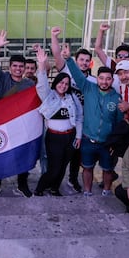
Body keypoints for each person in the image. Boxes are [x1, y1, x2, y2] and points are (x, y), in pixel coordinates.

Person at [66, 55, 123, 197]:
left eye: (108, 79)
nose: (104, 81)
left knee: (107, 169)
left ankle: (107, 191)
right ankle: (87, 191)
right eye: (101, 78)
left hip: (107, 143)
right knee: (87, 167)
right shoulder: (88, 88)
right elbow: (77, 75)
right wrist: (68, 59)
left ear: (112, 80)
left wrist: (114, 143)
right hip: (88, 139)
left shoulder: (117, 98)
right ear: (97, 79)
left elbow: (119, 123)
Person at [0, 29, 35, 197]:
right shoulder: (2, 78)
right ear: (9, 67)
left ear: (25, 69)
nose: (18, 69)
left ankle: (22, 183)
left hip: (21, 126)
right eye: (15, 66)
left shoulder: (29, 84)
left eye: (21, 66)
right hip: (2, 125)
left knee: (22, 155)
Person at [33, 47, 83, 197]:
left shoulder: (72, 97)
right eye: (61, 82)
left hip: (70, 136)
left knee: (63, 166)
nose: (63, 86)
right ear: (56, 83)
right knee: (54, 168)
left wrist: (78, 136)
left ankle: (55, 188)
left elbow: (79, 117)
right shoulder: (49, 95)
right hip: (54, 137)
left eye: (66, 84)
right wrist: (42, 64)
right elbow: (42, 84)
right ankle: (40, 188)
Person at [50, 26, 94, 193]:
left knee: (77, 154)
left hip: (82, 122)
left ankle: (73, 179)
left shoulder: (93, 80)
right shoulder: (67, 70)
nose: (84, 63)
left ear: (90, 63)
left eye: (87, 60)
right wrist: (54, 37)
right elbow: (57, 55)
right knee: (62, 155)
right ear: (76, 60)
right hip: (64, 121)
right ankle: (53, 181)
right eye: (81, 59)